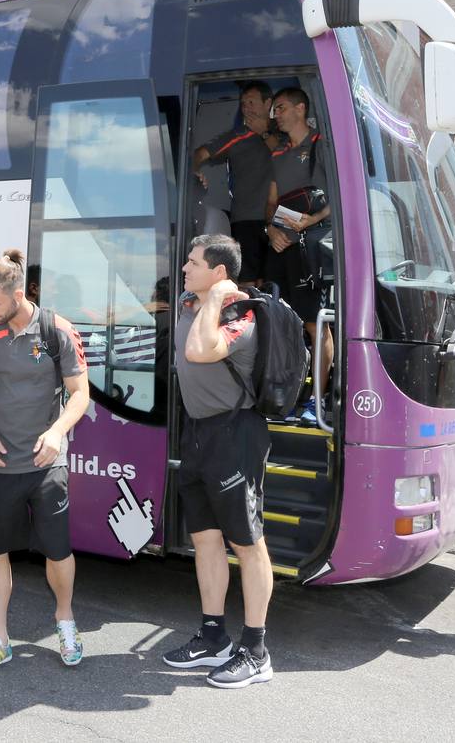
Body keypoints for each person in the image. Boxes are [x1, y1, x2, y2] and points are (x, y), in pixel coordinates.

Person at [0, 249, 90, 674]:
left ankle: (65, 620)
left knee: (57, 551)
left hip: (46, 462)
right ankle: (0, 639)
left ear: (19, 294)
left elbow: (80, 394)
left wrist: (57, 432)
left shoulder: (56, 329)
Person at [161, 234, 275, 689]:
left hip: (235, 433)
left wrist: (217, 299)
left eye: (193, 263)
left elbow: (199, 351)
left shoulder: (239, 314)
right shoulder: (189, 304)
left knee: (248, 544)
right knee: (206, 539)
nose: (185, 269)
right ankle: (213, 637)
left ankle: (256, 650)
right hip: (198, 432)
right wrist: (199, 298)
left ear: (219, 272)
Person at [264, 87, 333, 422]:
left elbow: (337, 195)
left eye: (280, 107)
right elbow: (271, 202)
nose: (275, 114)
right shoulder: (277, 154)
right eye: (274, 108)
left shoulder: (322, 143)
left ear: (300, 108)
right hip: (280, 248)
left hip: (310, 249)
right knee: (279, 322)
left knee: (315, 325)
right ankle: (283, 396)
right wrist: (271, 230)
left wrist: (311, 222)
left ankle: (314, 404)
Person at [193, 81, 278, 283]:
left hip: (280, 219)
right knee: (247, 281)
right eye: (243, 104)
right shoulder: (238, 135)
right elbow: (200, 154)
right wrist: (195, 172)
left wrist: (263, 133)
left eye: (251, 102)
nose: (246, 108)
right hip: (245, 219)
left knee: (275, 280)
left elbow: (288, 156)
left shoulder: (283, 131)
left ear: (268, 104)